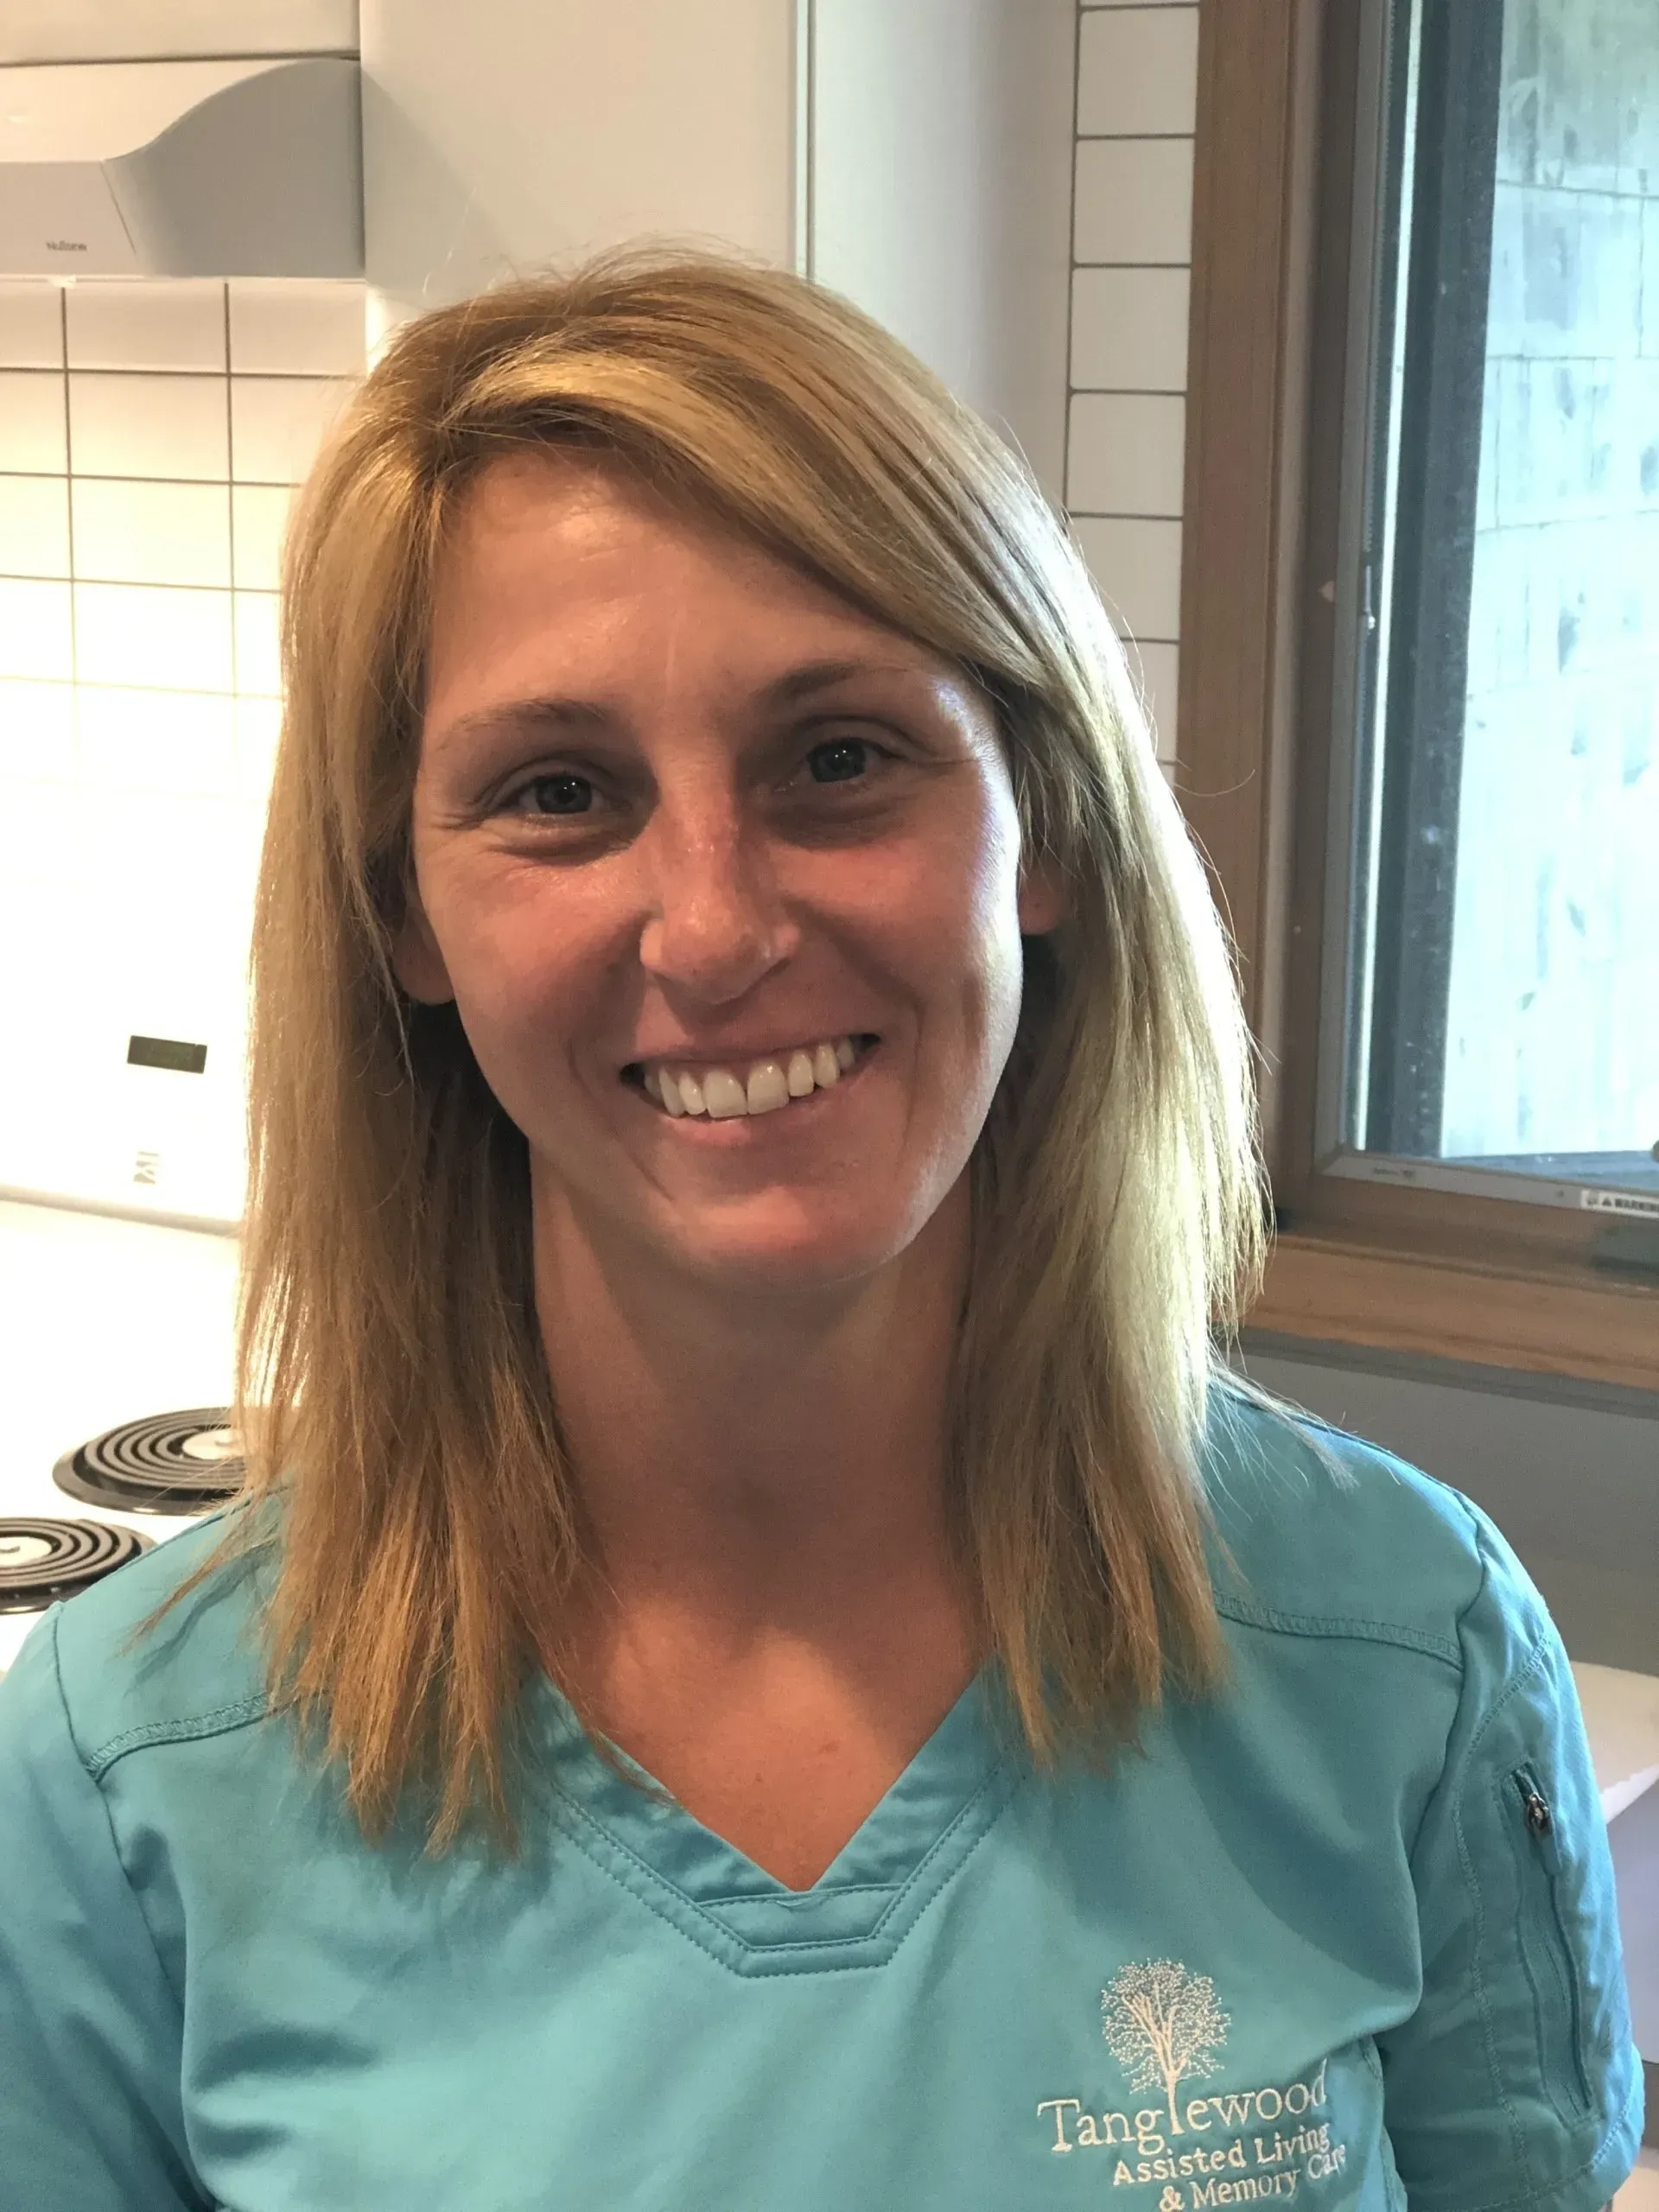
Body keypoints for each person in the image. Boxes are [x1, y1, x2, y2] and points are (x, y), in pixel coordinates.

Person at [0, 251, 1640, 2212]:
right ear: (404, 920)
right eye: (559, 791)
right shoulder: (130, 1778)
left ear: (1042, 824)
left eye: (839, 758)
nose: (714, 930)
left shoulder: (1403, 1645)